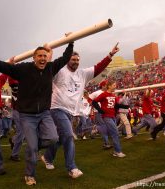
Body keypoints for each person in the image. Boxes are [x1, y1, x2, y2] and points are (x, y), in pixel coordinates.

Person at [0, 40, 74, 186]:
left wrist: (71, 42)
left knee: (53, 138)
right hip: (27, 115)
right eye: (39, 56)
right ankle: (29, 174)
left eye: (45, 56)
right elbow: (4, 66)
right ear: (34, 57)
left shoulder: (51, 68)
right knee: (32, 148)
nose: (42, 58)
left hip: (45, 113)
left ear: (48, 57)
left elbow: (65, 58)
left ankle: (33, 148)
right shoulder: (23, 69)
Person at [41, 43, 119, 178]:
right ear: (67, 60)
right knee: (69, 136)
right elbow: (47, 69)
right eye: (73, 60)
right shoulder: (59, 70)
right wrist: (48, 55)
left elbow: (98, 67)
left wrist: (110, 55)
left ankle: (47, 157)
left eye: (77, 60)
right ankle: (71, 168)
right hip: (57, 108)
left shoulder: (83, 73)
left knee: (60, 138)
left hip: (71, 111)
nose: (76, 62)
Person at [92, 80, 128, 158]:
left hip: (113, 117)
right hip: (107, 117)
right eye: (114, 85)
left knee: (113, 133)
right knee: (115, 133)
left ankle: (97, 130)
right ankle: (118, 151)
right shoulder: (103, 94)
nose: (115, 86)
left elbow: (116, 106)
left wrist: (125, 106)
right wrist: (99, 110)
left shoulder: (113, 95)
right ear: (109, 86)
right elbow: (94, 102)